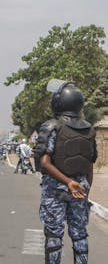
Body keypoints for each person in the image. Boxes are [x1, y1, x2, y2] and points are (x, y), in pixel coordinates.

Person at [34, 80, 97, 264]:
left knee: (54, 236)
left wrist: (68, 182)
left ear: (59, 102)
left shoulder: (52, 126)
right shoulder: (90, 130)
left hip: (56, 189)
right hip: (80, 189)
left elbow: (44, 163)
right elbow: (89, 165)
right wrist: (85, 191)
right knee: (79, 236)